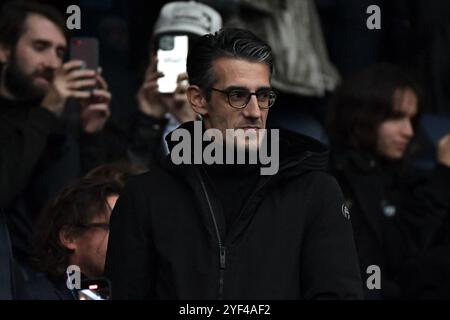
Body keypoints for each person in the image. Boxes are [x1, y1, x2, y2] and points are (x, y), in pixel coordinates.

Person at [105, 28, 363, 299]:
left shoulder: (316, 193)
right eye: (237, 96)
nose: (254, 112)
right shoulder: (145, 197)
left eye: (263, 96)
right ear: (199, 99)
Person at [0, 1, 111, 269]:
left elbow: (87, 211)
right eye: (40, 47)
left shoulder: (59, 123)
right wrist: (48, 110)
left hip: (57, 280)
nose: (53, 63)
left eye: (60, 52)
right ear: (4, 50)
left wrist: (91, 134)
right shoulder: (45, 116)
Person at [326, 63, 450, 299]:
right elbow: (387, 260)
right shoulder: (335, 180)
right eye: (396, 118)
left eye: (412, 120)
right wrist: (443, 176)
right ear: (362, 117)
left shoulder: (402, 174)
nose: (409, 131)